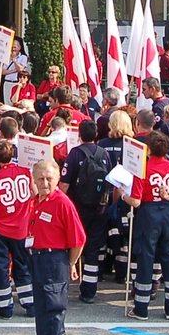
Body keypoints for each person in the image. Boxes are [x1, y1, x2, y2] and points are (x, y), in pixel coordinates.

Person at [21, 157, 84, 335]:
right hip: (40, 258)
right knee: (51, 312)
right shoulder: (38, 200)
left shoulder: (62, 202)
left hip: (53, 260)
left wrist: (71, 263)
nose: (45, 182)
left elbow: (79, 239)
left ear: (58, 179)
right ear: (34, 180)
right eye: (40, 178)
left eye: (49, 178)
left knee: (49, 313)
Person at [122, 131, 169, 320]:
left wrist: (123, 194)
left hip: (149, 213)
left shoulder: (143, 169)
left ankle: (141, 307)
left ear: (149, 149)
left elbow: (136, 201)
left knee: (146, 258)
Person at [60, 118, 113, 303]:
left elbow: (65, 184)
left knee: (74, 243)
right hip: (100, 207)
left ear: (79, 135)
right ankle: (89, 290)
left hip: (78, 207)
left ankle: (65, 284)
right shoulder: (104, 154)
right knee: (93, 248)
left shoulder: (75, 154)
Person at [0, 138, 36, 319]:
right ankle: (29, 303)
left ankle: (5, 305)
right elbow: (33, 194)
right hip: (21, 226)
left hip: (1, 226)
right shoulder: (25, 172)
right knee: (23, 265)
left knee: (1, 266)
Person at [1, 35, 31, 104]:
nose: (13, 49)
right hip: (7, 82)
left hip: (16, 83)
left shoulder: (23, 57)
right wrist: (13, 71)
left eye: (15, 47)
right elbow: (2, 71)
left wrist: (14, 60)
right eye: (12, 46)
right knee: (7, 103)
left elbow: (20, 69)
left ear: (19, 47)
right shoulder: (7, 56)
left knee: (15, 103)